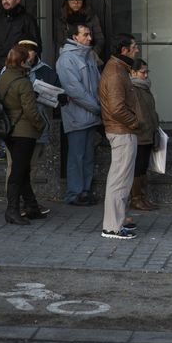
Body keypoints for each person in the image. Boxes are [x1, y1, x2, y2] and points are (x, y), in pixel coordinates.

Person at [2, 40, 63, 217]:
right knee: (18, 167)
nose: (28, 55)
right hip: (25, 129)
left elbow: (57, 93)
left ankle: (26, 203)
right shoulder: (16, 77)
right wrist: (40, 124)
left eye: (30, 51)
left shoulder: (45, 71)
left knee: (29, 167)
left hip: (17, 128)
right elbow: (28, 109)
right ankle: (16, 204)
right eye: (23, 52)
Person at [0, 0, 41, 161]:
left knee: (21, 107)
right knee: (1, 109)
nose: (5, 2)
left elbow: (35, 45)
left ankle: (20, 142)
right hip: (0, 71)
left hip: (21, 71)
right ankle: (4, 146)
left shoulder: (27, 20)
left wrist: (28, 65)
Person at [0, 45, 47, 225]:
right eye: (28, 58)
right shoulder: (23, 82)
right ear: (23, 61)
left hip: (8, 130)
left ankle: (32, 207)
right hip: (25, 132)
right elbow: (31, 111)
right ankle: (13, 210)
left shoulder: (1, 78)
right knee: (19, 172)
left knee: (22, 170)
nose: (30, 61)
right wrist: (41, 126)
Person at [99, 33, 141, 240]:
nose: (137, 50)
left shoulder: (117, 68)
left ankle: (115, 223)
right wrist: (134, 122)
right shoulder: (116, 72)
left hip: (121, 130)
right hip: (122, 131)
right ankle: (113, 227)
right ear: (124, 50)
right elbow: (116, 108)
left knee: (120, 178)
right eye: (134, 47)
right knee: (120, 180)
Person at [56, 24, 102, 207]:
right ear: (74, 37)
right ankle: (74, 193)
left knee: (88, 156)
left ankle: (84, 190)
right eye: (85, 34)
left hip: (90, 115)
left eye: (89, 34)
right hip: (77, 116)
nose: (90, 38)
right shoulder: (67, 59)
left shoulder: (88, 55)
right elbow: (76, 91)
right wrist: (97, 108)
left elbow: (97, 84)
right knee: (77, 156)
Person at [129, 58, 160, 211]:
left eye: (147, 72)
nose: (146, 75)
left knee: (143, 166)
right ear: (133, 72)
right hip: (139, 133)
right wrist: (139, 125)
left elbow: (150, 111)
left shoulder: (144, 88)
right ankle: (136, 198)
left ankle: (142, 197)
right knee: (138, 166)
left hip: (148, 132)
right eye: (143, 72)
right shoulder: (133, 88)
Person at [55, 0, 104, 64]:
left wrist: (93, 52)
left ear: (83, 1)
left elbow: (100, 39)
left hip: (89, 57)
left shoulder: (91, 17)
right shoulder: (62, 19)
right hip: (69, 59)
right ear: (67, 1)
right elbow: (60, 43)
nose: (76, 2)